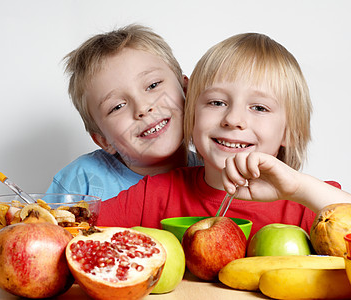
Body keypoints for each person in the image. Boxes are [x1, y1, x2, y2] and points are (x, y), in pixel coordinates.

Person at [96, 32, 351, 238]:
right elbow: (69, 232)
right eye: (216, 102)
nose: (233, 119)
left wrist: (299, 188)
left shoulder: (308, 202)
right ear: (191, 116)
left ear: (289, 133)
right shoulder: (152, 196)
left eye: (259, 108)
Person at [47, 25, 201, 201]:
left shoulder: (217, 175)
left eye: (152, 85)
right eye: (118, 106)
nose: (142, 108)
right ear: (104, 140)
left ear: (186, 90)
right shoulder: (80, 184)